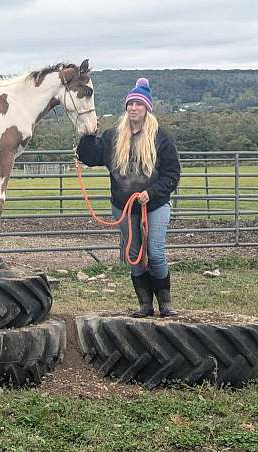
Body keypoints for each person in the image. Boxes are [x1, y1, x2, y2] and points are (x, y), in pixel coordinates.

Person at [76, 78, 181, 317]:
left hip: (154, 203)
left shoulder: (160, 138)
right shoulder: (113, 136)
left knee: (154, 251)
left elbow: (172, 174)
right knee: (134, 255)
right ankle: (145, 304)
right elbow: (91, 157)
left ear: (147, 108)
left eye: (139, 104)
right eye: (130, 104)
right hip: (123, 206)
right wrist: (88, 137)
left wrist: (151, 193)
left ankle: (165, 303)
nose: (134, 108)